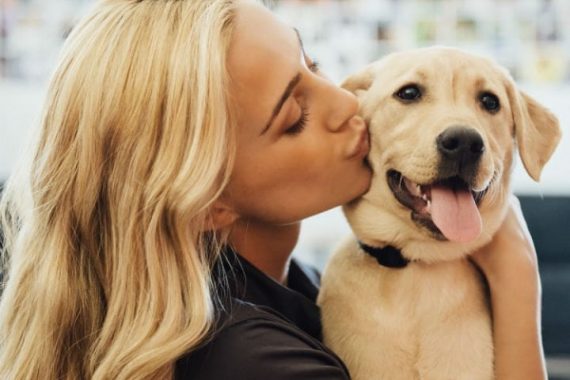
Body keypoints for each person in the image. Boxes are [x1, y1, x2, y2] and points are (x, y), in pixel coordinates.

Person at [0, 0, 546, 379]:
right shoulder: (258, 363)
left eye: (313, 65)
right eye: (294, 117)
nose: (345, 102)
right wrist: (517, 277)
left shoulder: (288, 285)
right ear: (210, 199)